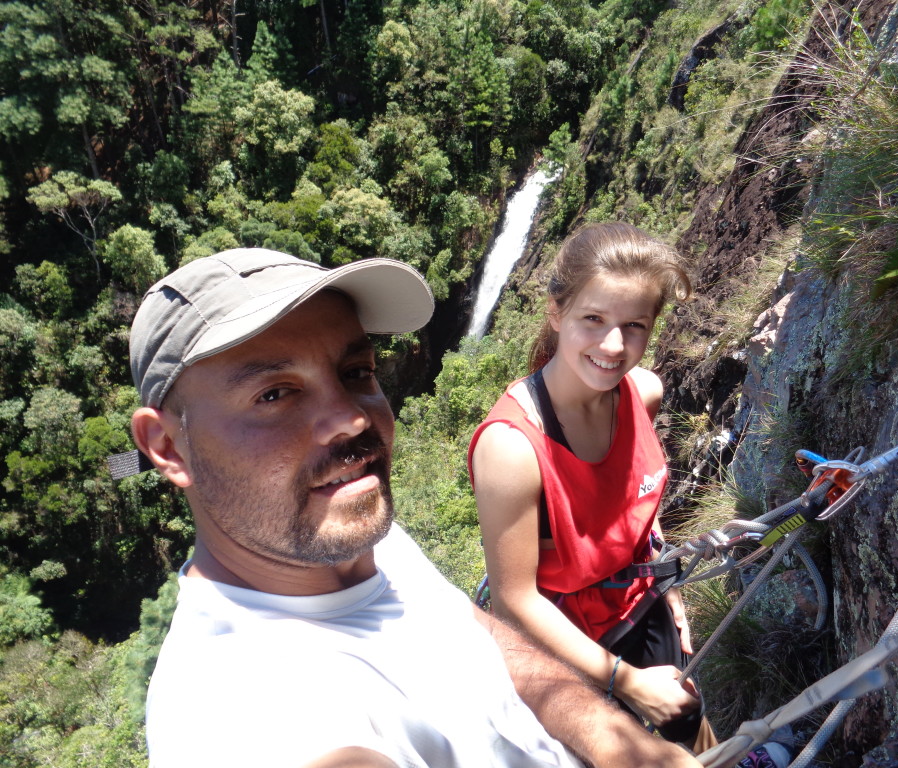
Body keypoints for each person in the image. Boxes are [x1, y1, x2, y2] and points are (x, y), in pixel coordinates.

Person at [112, 247, 702, 768]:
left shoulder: (365, 538)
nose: (351, 418)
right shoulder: (234, 708)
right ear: (168, 446)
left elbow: (466, 628)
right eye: (273, 394)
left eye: (356, 372)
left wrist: (613, 740)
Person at [469, 222, 715, 751]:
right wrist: (624, 681)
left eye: (634, 326)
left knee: (688, 721)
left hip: (639, 600)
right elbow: (515, 602)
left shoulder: (641, 394)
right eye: (593, 319)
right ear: (556, 313)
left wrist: (661, 578)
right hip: (562, 642)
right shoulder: (513, 449)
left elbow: (633, 502)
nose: (613, 344)